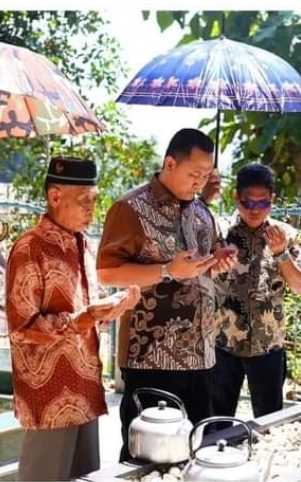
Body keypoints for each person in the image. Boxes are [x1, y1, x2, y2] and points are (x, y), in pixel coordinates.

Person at [97, 128, 237, 462]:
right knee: (147, 456)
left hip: (202, 356)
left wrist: (218, 260)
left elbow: (202, 266)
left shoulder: (202, 213)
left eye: (206, 175)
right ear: (170, 163)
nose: (200, 183)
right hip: (152, 357)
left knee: (196, 454)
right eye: (194, 174)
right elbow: (106, 272)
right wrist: (166, 271)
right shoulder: (130, 208)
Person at [6, 156, 140, 481]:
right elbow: (21, 329)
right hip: (48, 393)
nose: (91, 210)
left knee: (85, 477)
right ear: (55, 197)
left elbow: (86, 312)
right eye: (84, 202)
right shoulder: (28, 248)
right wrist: (84, 319)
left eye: (94, 201)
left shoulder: (82, 244)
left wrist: (111, 309)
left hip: (85, 387)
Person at [212, 164, 301, 420]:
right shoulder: (218, 233)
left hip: (268, 346)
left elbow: (300, 287)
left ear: (272, 200)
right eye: (248, 203)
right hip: (224, 345)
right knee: (215, 425)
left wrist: (281, 253)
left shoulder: (286, 235)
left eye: (262, 203)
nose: (255, 210)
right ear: (236, 197)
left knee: (269, 424)